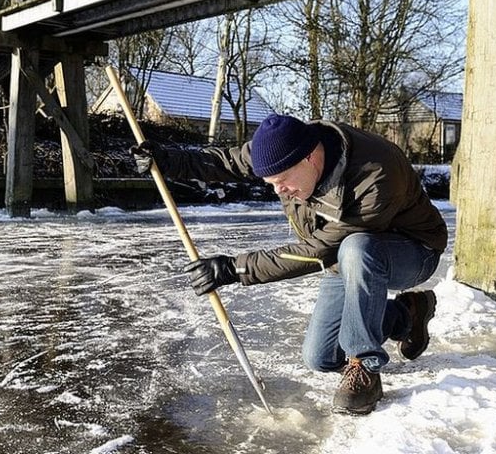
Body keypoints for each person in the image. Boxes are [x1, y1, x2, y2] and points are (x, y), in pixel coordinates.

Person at [131, 113, 447, 415]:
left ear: (310, 158)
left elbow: (318, 250)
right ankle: (407, 315)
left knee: (357, 247)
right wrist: (168, 160)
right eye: (270, 182)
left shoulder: (374, 174)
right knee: (320, 357)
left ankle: (365, 365)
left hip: (413, 251)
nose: (278, 191)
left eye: (281, 181)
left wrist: (234, 268)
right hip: (346, 259)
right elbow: (225, 162)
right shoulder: (281, 147)